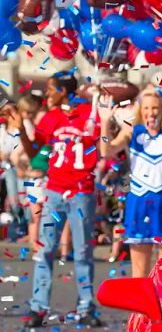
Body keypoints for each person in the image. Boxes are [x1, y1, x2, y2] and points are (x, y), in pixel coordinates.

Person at [13, 73, 103, 327]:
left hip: (81, 192)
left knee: (83, 250)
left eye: (51, 89)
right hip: (54, 191)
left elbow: (101, 143)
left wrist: (102, 113)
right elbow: (34, 154)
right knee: (45, 250)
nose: (47, 94)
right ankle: (38, 307)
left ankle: (86, 305)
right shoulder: (50, 118)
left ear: (63, 91)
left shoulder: (89, 113)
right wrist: (21, 129)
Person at [98, 88, 162, 278]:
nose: (151, 112)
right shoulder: (131, 132)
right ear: (140, 109)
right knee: (139, 273)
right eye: (146, 108)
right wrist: (105, 123)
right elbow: (107, 150)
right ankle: (140, 309)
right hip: (139, 202)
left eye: (155, 108)